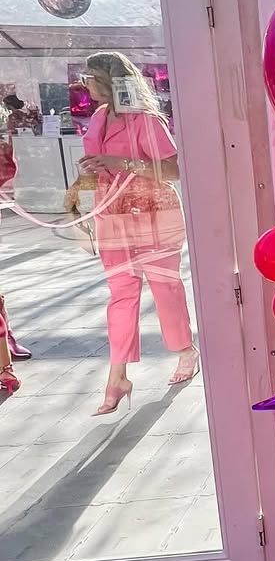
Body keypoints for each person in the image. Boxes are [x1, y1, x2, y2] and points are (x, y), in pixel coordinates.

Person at [79, 52, 199, 414]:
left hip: (153, 215)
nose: (86, 86)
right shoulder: (98, 119)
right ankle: (117, 377)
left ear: (109, 81)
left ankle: (185, 350)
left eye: (91, 78)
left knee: (165, 287)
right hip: (112, 215)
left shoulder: (146, 121)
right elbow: (92, 168)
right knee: (121, 293)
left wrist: (119, 162)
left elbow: (174, 170)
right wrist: (84, 203)